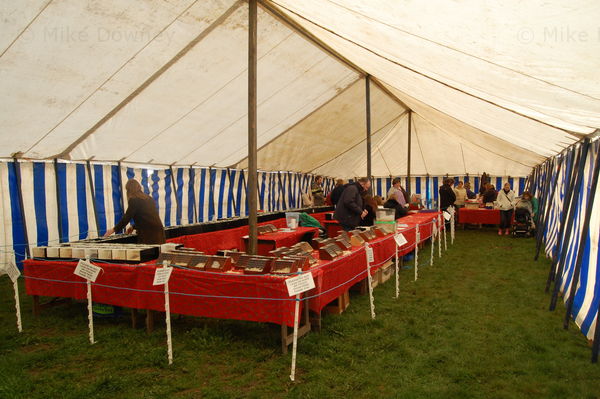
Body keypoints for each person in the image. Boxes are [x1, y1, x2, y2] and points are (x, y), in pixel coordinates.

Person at [104, 179, 166, 244]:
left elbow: (127, 217)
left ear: (129, 190)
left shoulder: (134, 200)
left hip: (148, 235)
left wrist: (113, 230)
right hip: (159, 231)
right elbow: (147, 217)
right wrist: (133, 226)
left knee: (148, 253)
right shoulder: (149, 198)